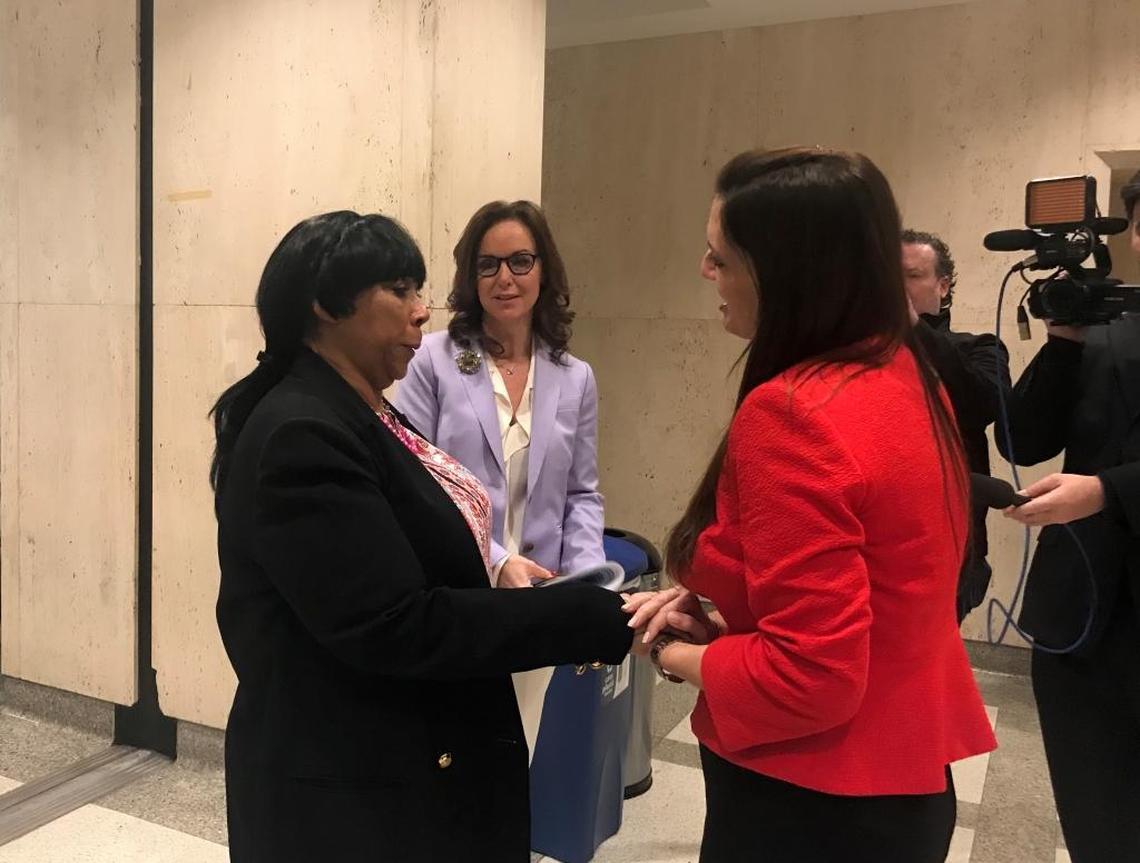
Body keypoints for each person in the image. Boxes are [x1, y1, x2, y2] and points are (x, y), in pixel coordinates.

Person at [210, 211, 632, 862]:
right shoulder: (302, 434)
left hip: (411, 747)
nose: (421, 311)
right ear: (328, 303)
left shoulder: (367, 409)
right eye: (401, 289)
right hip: (353, 786)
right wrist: (585, 615)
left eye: (421, 289)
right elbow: (395, 622)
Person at [625, 148, 996, 863]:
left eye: (720, 256)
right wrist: (733, 614)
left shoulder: (792, 414)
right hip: (903, 783)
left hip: (812, 798)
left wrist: (675, 649)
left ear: (785, 273)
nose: (707, 272)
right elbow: (874, 585)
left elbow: (811, 677)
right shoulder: (903, 372)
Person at [396, 200, 604, 756]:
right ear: (471, 275)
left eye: (520, 261)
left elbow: (581, 493)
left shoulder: (575, 377)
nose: (505, 278)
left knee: (521, 744)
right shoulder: (434, 361)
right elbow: (412, 481)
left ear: (544, 270)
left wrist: (584, 585)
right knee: (455, 747)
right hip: (459, 590)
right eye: (488, 265)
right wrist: (495, 560)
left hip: (540, 595)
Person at [999, 169, 1140, 862]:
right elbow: (1022, 440)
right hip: (1080, 620)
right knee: (1096, 818)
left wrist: (1107, 490)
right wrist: (1062, 341)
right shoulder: (1104, 329)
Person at [903, 229, 1011, 622]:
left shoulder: (979, 348)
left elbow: (980, 403)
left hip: (952, 544)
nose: (896, 288)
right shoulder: (855, 356)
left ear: (943, 286)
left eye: (910, 276)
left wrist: (911, 326)